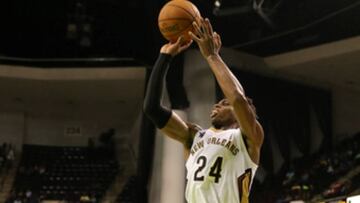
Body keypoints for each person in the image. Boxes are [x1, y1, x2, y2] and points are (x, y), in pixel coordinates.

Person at [143, 18, 264, 203]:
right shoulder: (194, 137)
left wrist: (212, 57)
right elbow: (152, 108)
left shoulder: (247, 139)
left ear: (240, 116)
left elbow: (238, 99)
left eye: (224, 103)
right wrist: (164, 58)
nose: (217, 105)